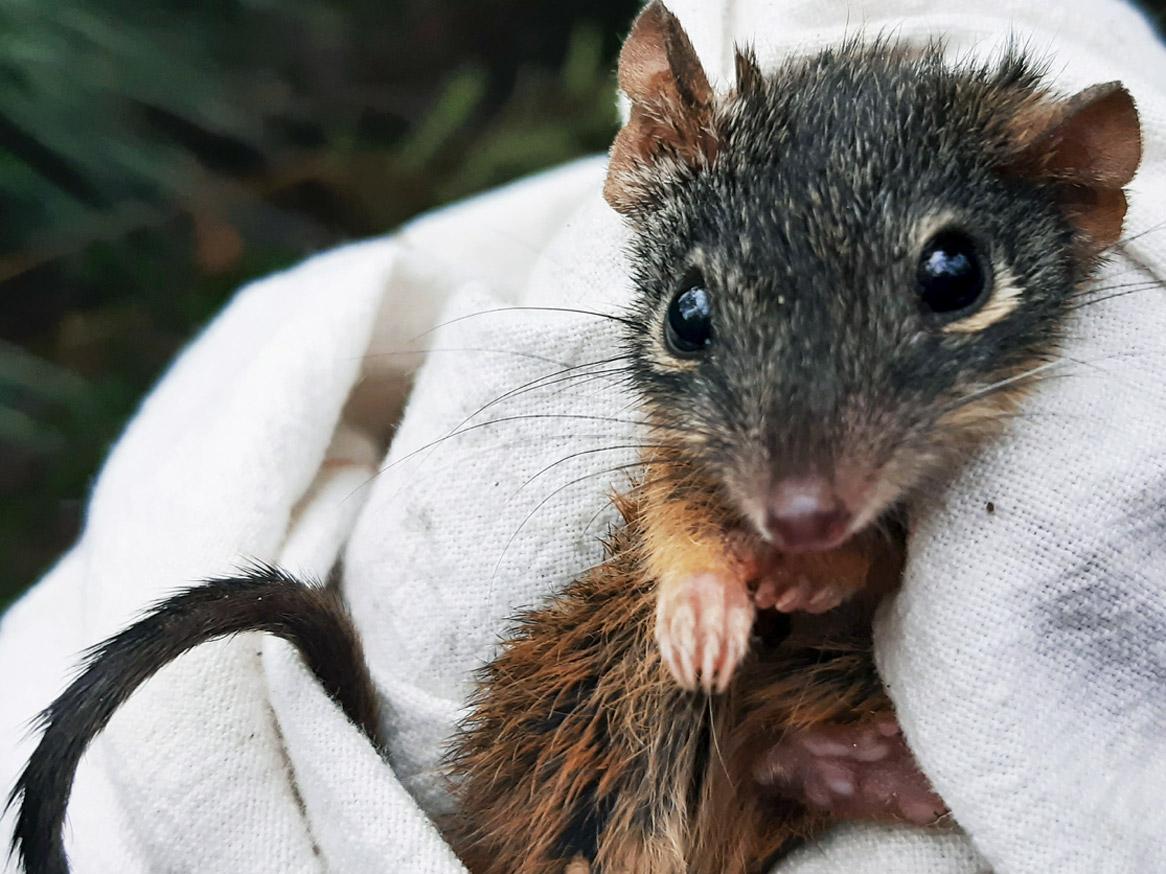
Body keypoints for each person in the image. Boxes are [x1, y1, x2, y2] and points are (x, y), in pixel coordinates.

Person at [2, 1, 1164, 871]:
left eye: (945, 280)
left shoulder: (1065, 305)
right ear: (644, 155)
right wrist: (695, 565)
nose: (805, 488)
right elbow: (678, 494)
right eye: (701, 319)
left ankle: (783, 774)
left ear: (1079, 188)